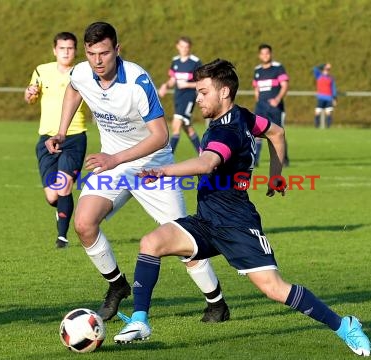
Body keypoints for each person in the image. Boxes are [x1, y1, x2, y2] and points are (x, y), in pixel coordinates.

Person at [113, 59, 371, 357]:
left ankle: (345, 325)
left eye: (203, 92)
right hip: (207, 220)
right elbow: (277, 132)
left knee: (274, 288)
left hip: (237, 224)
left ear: (224, 92)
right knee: (151, 242)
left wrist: (163, 172)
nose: (197, 98)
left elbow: (207, 162)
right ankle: (140, 321)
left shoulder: (227, 131)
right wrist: (275, 177)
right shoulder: (244, 117)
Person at [45, 22, 229, 322]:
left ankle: (217, 303)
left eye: (104, 53)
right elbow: (73, 90)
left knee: (183, 239)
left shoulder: (137, 80)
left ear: (117, 50)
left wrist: (115, 159)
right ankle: (117, 286)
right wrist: (62, 132)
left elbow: (160, 135)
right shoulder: (80, 72)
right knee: (83, 223)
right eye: (91, 53)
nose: (98, 60)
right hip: (113, 165)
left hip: (153, 167)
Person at [24, 32, 88, 249]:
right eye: (62, 48)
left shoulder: (83, 72)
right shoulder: (42, 71)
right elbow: (30, 98)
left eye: (70, 48)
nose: (66, 52)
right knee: (53, 196)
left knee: (64, 186)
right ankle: (62, 212)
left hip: (74, 137)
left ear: (75, 50)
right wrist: (30, 93)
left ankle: (62, 237)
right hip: (46, 139)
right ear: (55, 50)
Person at [158, 36, 202, 154]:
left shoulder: (195, 62)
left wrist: (187, 85)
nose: (184, 49)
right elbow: (172, 80)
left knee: (176, 125)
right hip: (178, 97)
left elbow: (202, 83)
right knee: (187, 128)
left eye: (186, 47)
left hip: (189, 98)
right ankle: (203, 153)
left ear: (190, 48)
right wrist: (165, 86)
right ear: (177, 46)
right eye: (182, 46)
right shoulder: (175, 61)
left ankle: (168, 157)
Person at [252, 44, 289, 167]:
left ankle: (283, 159)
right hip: (261, 106)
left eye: (267, 53)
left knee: (278, 133)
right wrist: (257, 99)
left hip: (274, 107)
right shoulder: (257, 70)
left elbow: (284, 85)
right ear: (259, 55)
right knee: (256, 132)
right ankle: (255, 160)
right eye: (262, 53)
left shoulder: (278, 68)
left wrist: (277, 99)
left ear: (271, 54)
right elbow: (256, 88)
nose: (265, 55)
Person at [313, 63, 337, 128]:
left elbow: (333, 88)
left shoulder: (331, 78)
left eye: (328, 69)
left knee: (328, 112)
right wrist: (324, 65)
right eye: (326, 69)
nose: (327, 71)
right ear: (323, 69)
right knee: (318, 111)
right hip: (321, 97)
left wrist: (334, 98)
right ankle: (316, 125)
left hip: (329, 98)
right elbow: (314, 68)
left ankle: (328, 127)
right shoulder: (319, 76)